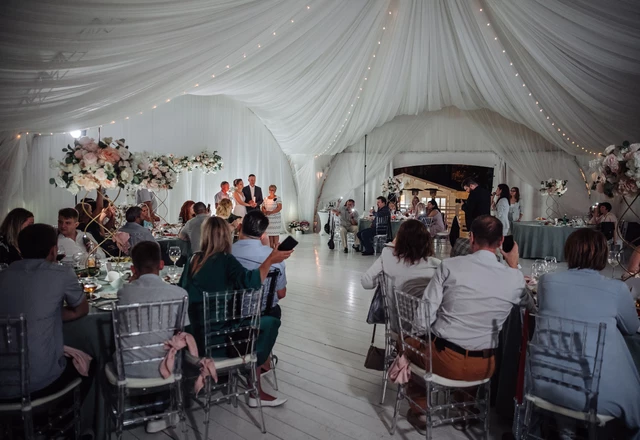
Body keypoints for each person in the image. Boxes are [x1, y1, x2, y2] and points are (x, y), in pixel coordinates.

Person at [405, 215, 534, 433]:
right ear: (502, 242)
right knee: (470, 343)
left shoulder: (449, 266)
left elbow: (422, 318)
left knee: (405, 342)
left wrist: (418, 338)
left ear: (471, 237)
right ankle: (465, 407)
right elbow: (530, 306)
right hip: (485, 366)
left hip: (444, 361)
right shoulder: (514, 278)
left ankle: (420, 408)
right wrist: (513, 267)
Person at [534, 228, 640, 438]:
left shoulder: (547, 283)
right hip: (595, 396)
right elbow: (630, 327)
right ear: (603, 254)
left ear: (568, 252)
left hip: (545, 384)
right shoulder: (616, 289)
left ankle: (566, 430)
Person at [179, 216, 292, 407]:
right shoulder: (226, 260)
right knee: (271, 322)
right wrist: (271, 258)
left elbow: (181, 292)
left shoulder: (194, 260)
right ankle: (254, 364)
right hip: (223, 338)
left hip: (195, 338)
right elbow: (252, 283)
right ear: (227, 235)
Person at [0, 224, 89, 399]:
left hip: (3, 379)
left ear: (19, 249)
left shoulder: (3, 275)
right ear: (54, 250)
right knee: (91, 363)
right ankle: (64, 423)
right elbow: (81, 309)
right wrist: (50, 314)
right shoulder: (61, 273)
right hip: (40, 381)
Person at [361, 219, 441, 329]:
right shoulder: (436, 266)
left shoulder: (388, 256)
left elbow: (366, 282)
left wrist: (392, 245)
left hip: (398, 327)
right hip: (430, 329)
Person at [232, 211, 287, 319]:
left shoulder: (227, 253)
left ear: (239, 227)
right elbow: (281, 294)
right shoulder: (275, 258)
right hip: (265, 315)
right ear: (262, 235)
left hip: (232, 314)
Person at [262, 184, 283, 249]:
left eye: (273, 190)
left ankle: (276, 247)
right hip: (268, 219)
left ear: (275, 190)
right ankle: (270, 248)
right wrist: (265, 211)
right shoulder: (265, 198)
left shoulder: (278, 198)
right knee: (270, 235)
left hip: (275, 219)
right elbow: (262, 207)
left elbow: (279, 208)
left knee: (275, 234)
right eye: (270, 190)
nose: (271, 191)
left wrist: (271, 212)